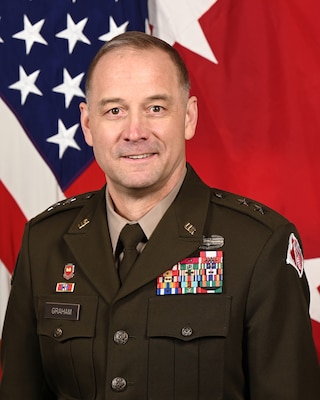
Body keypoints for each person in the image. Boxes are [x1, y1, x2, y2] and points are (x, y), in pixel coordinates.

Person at [0, 31, 319, 400]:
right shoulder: (44, 241)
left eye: (156, 108)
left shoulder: (259, 245)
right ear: (88, 125)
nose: (135, 132)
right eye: (114, 110)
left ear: (188, 117)